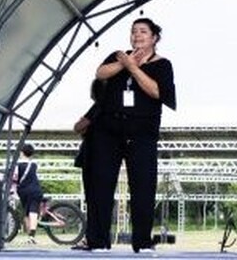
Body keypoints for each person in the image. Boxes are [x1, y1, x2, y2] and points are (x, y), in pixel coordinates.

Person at [84, 18, 176, 253]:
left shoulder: (163, 65)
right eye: (134, 32)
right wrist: (125, 62)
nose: (137, 36)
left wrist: (133, 67)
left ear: (154, 37)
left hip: (142, 132)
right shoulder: (119, 56)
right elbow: (101, 73)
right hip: (109, 130)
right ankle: (98, 240)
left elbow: (157, 91)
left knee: (143, 186)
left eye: (143, 32)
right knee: (101, 184)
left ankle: (142, 242)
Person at [70, 78, 105, 250]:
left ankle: (92, 238)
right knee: (100, 199)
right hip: (103, 157)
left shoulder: (98, 106)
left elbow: (78, 126)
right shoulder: (113, 109)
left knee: (93, 199)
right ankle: (99, 238)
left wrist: (83, 123)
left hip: (92, 156)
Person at [14, 143, 44, 245]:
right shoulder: (34, 165)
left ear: (21, 152)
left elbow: (14, 178)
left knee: (28, 213)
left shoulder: (17, 165)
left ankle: (30, 236)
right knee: (32, 211)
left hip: (24, 192)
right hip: (36, 190)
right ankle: (31, 236)